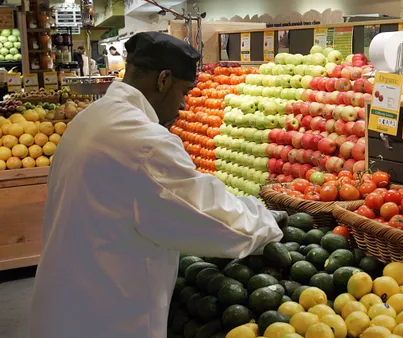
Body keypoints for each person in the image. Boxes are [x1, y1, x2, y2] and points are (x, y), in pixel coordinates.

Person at [29, 31, 285, 338]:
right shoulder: (145, 143)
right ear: (163, 80)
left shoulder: (93, 118)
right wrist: (264, 221)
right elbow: (206, 214)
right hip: (109, 315)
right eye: (184, 91)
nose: (184, 104)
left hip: (67, 301)